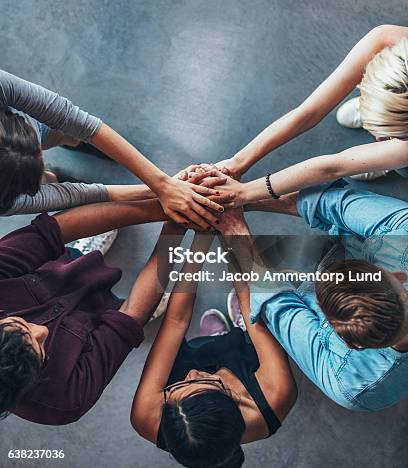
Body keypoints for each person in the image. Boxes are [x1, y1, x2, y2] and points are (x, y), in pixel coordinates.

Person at [0, 188, 205, 425]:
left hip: (57, 268)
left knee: (74, 254)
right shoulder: (66, 399)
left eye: (22, 326)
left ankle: (82, 254)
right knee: (128, 315)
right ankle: (135, 304)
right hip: (101, 320)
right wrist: (174, 228)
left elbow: (51, 232)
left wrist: (164, 206)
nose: (42, 331)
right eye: (41, 348)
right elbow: (131, 316)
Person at [205, 174, 408, 411]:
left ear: (348, 343)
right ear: (397, 276)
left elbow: (277, 304)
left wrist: (231, 226)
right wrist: (239, 196)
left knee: (263, 295)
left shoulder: (353, 386)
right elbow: (331, 202)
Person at [131, 215, 297, 468]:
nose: (193, 373)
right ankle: (238, 334)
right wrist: (228, 226)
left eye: (177, 388)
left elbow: (175, 322)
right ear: (232, 401)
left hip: (192, 350)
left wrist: (203, 236)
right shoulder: (276, 395)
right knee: (258, 319)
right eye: (205, 382)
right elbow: (250, 297)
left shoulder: (147, 416)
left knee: (195, 345)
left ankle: (216, 340)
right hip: (244, 357)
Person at [192, 25, 408, 205]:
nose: (379, 139)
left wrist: (245, 192)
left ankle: (388, 162)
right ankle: (385, 113)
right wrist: (236, 162)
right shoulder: (385, 38)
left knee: (402, 164)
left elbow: (334, 167)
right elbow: (308, 112)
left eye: (394, 134)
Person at [0, 69, 228, 228]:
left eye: (37, 149)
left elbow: (70, 117)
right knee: (46, 182)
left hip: (34, 137)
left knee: (64, 132)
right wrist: (163, 187)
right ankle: (53, 176)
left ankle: (70, 142)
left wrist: (163, 184)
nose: (42, 151)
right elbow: (69, 195)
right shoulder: (5, 200)